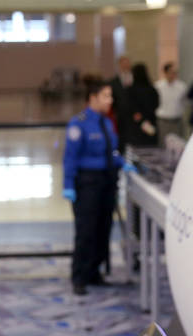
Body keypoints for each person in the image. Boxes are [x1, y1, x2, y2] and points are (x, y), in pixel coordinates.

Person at [63, 76, 127, 296]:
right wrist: (68, 184)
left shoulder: (107, 122)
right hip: (87, 183)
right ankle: (79, 277)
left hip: (107, 182)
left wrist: (123, 163)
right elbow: (70, 157)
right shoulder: (78, 123)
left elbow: (111, 151)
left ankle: (94, 273)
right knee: (86, 232)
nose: (110, 100)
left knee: (103, 229)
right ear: (93, 98)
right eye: (106, 96)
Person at [122, 62, 159, 148]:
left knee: (136, 152)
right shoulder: (152, 89)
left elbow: (127, 106)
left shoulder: (130, 90)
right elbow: (156, 104)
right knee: (150, 151)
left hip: (135, 126)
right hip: (150, 123)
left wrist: (138, 114)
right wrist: (146, 117)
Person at [154, 62, 187, 143]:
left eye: (175, 72)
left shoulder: (182, 86)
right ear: (165, 73)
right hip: (163, 121)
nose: (173, 74)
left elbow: (184, 102)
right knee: (163, 145)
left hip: (177, 121)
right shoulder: (158, 86)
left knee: (178, 146)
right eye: (171, 72)